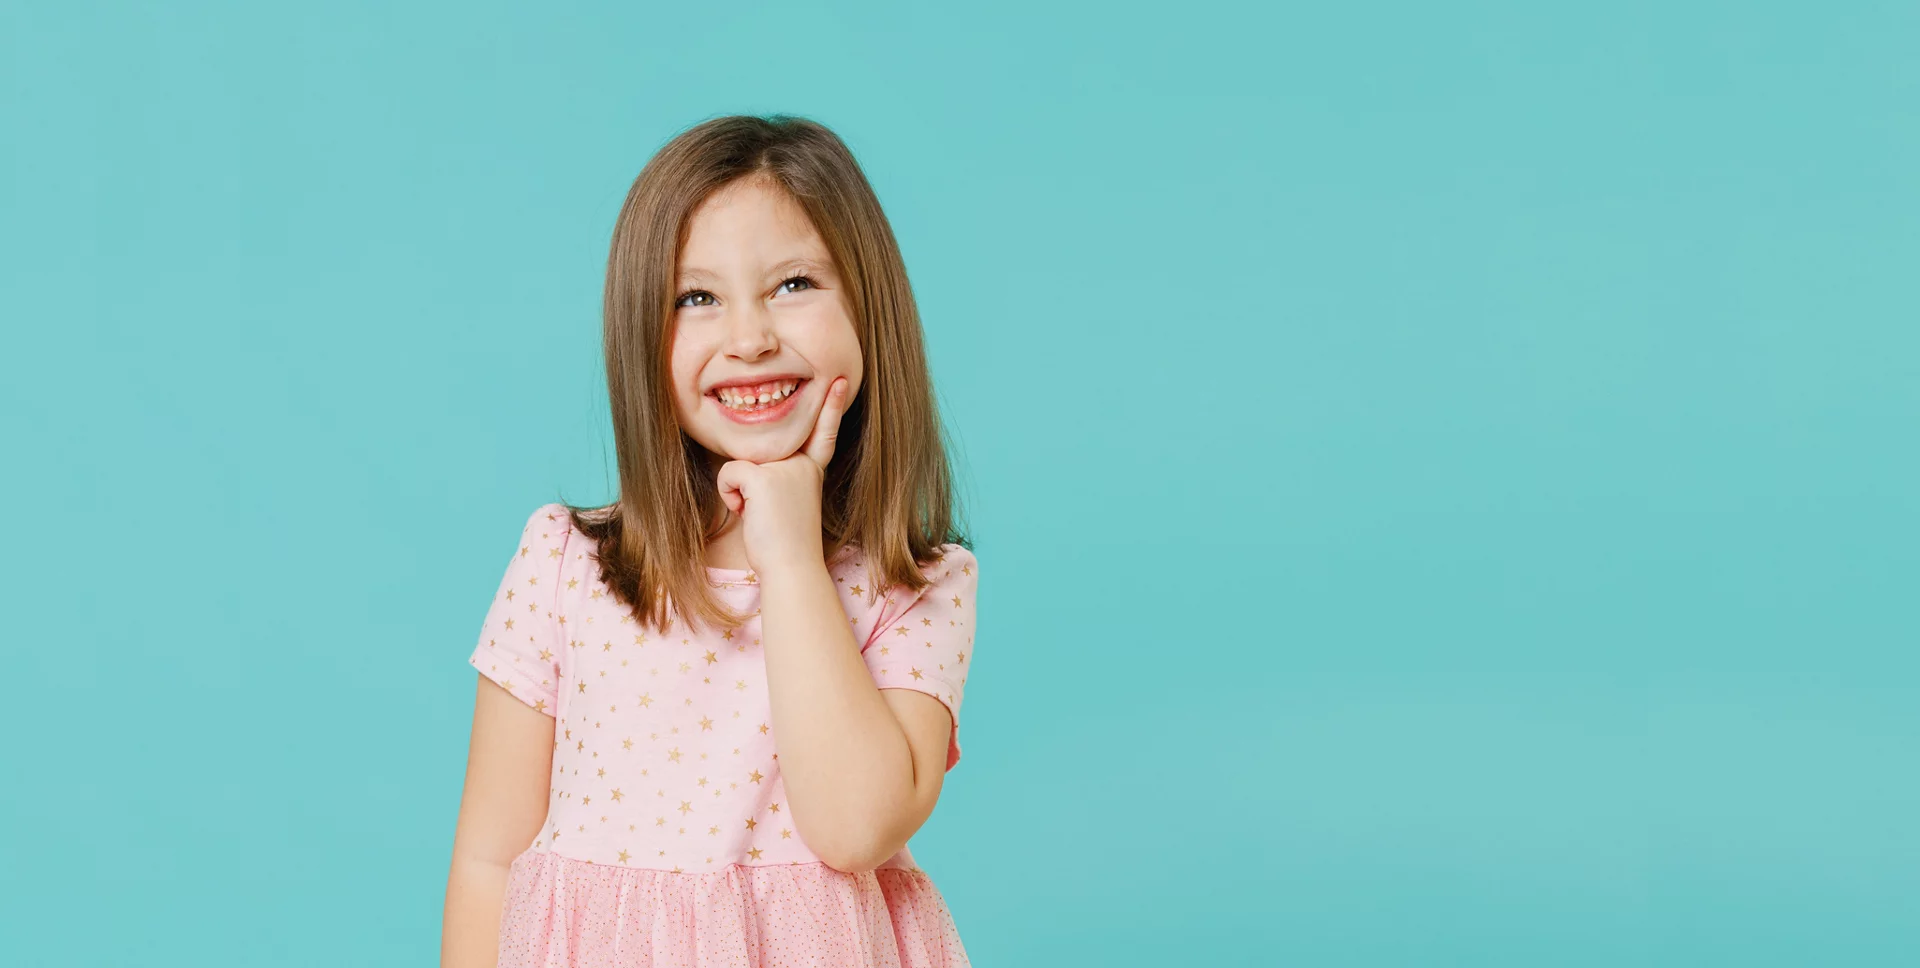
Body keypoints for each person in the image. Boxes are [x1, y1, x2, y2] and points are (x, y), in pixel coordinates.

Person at [441, 114, 980, 968]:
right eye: (696, 298)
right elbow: (487, 859)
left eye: (794, 283)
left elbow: (853, 828)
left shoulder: (915, 582)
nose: (750, 337)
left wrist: (792, 556)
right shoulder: (564, 566)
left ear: (870, 307)